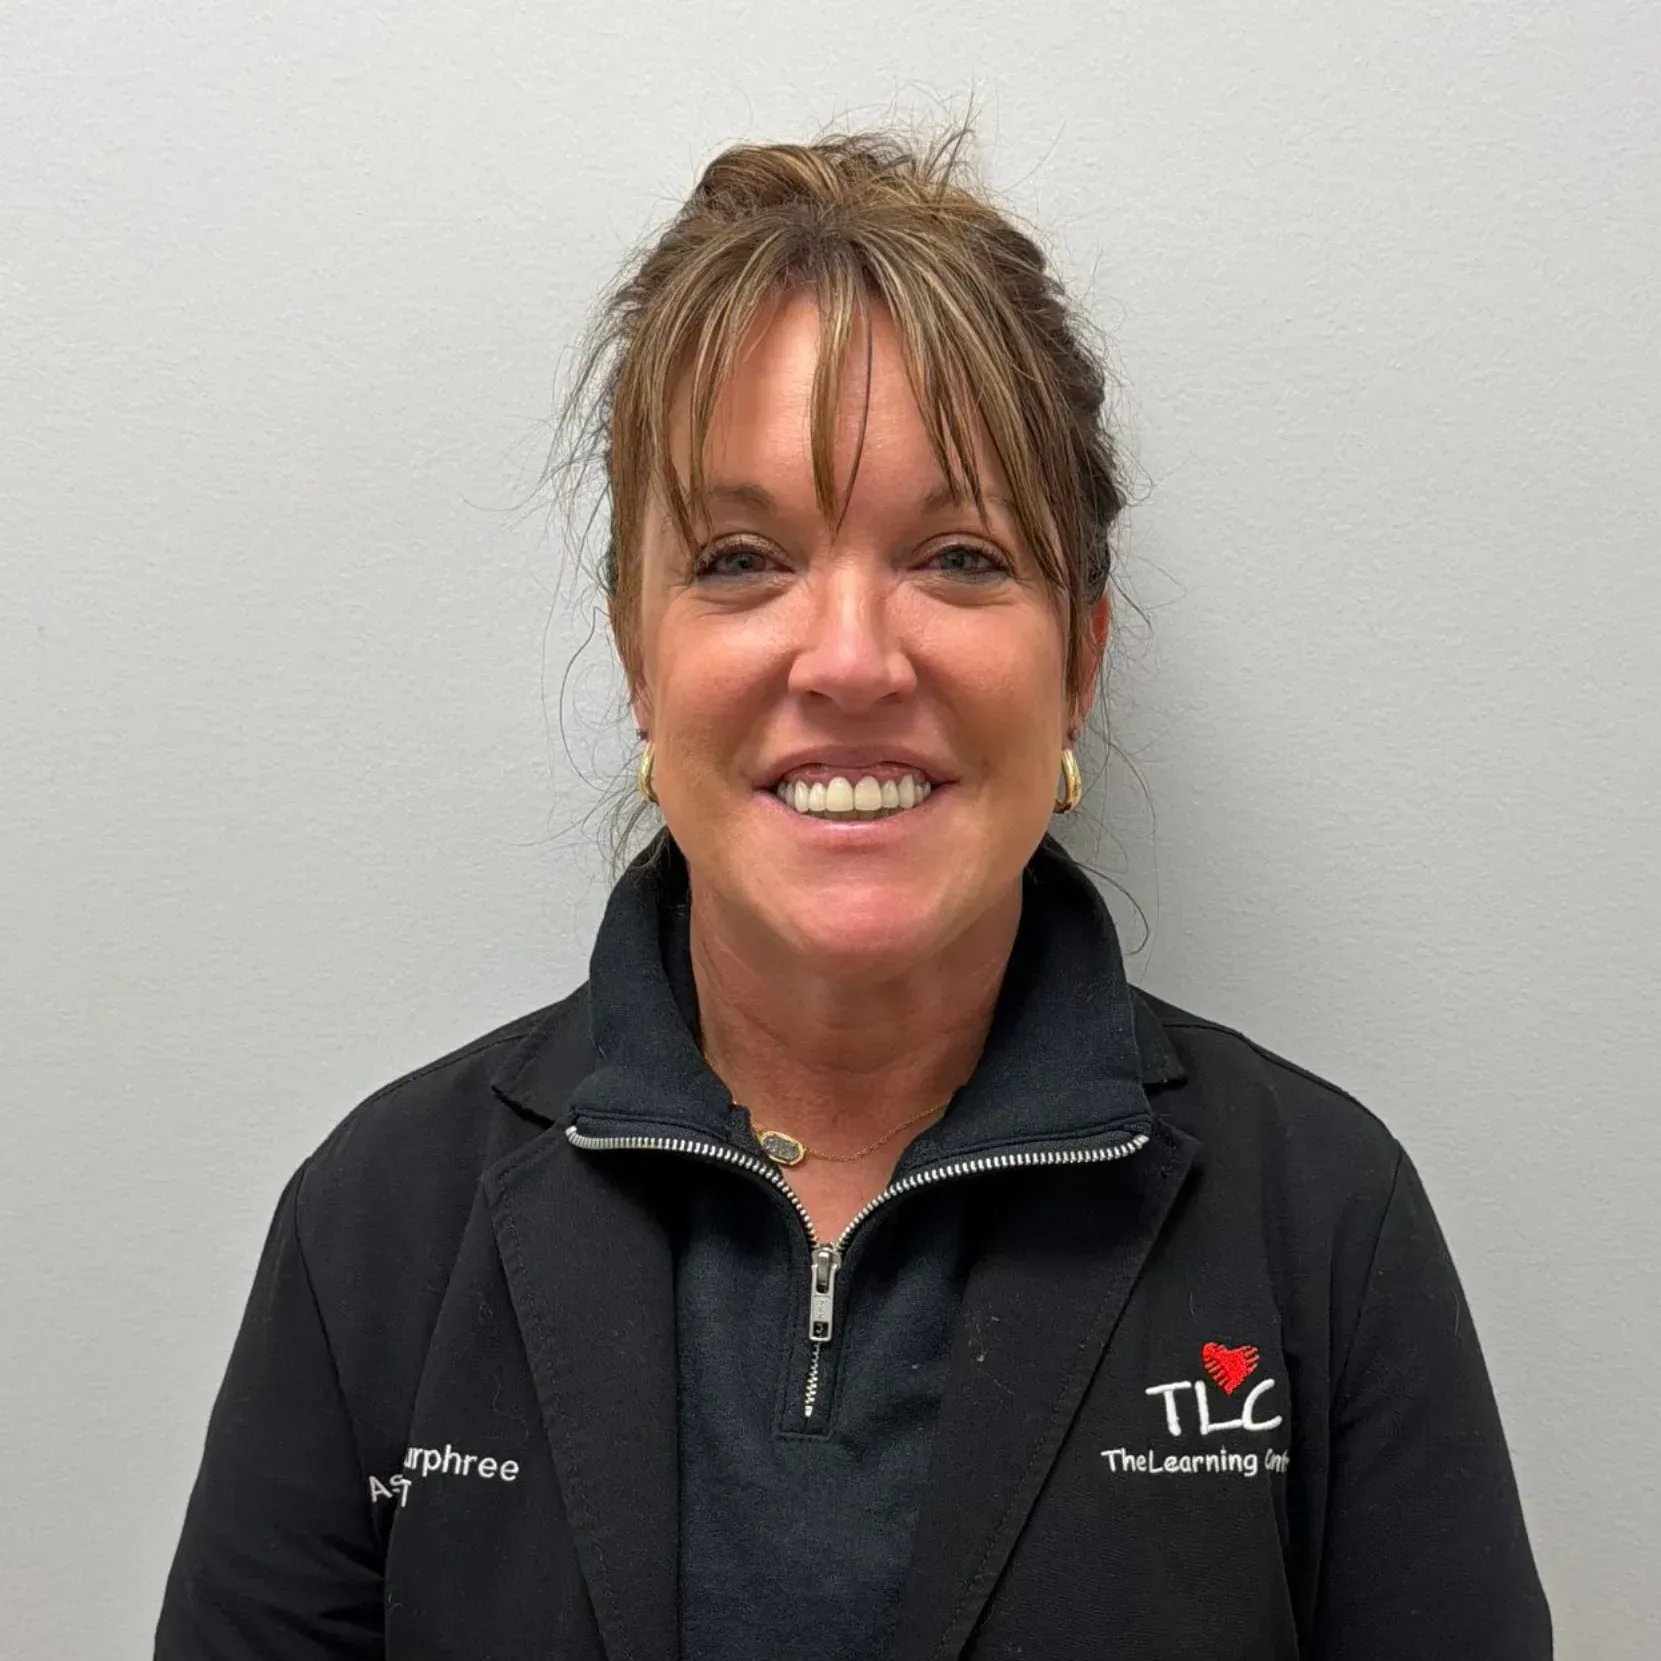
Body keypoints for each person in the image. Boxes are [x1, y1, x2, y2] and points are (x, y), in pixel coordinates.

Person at [156, 128, 1551, 1660]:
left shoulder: (1319, 1229)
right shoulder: (380, 1233)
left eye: (957, 556)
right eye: (744, 559)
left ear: (1079, 659)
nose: (849, 660)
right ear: (638, 654)